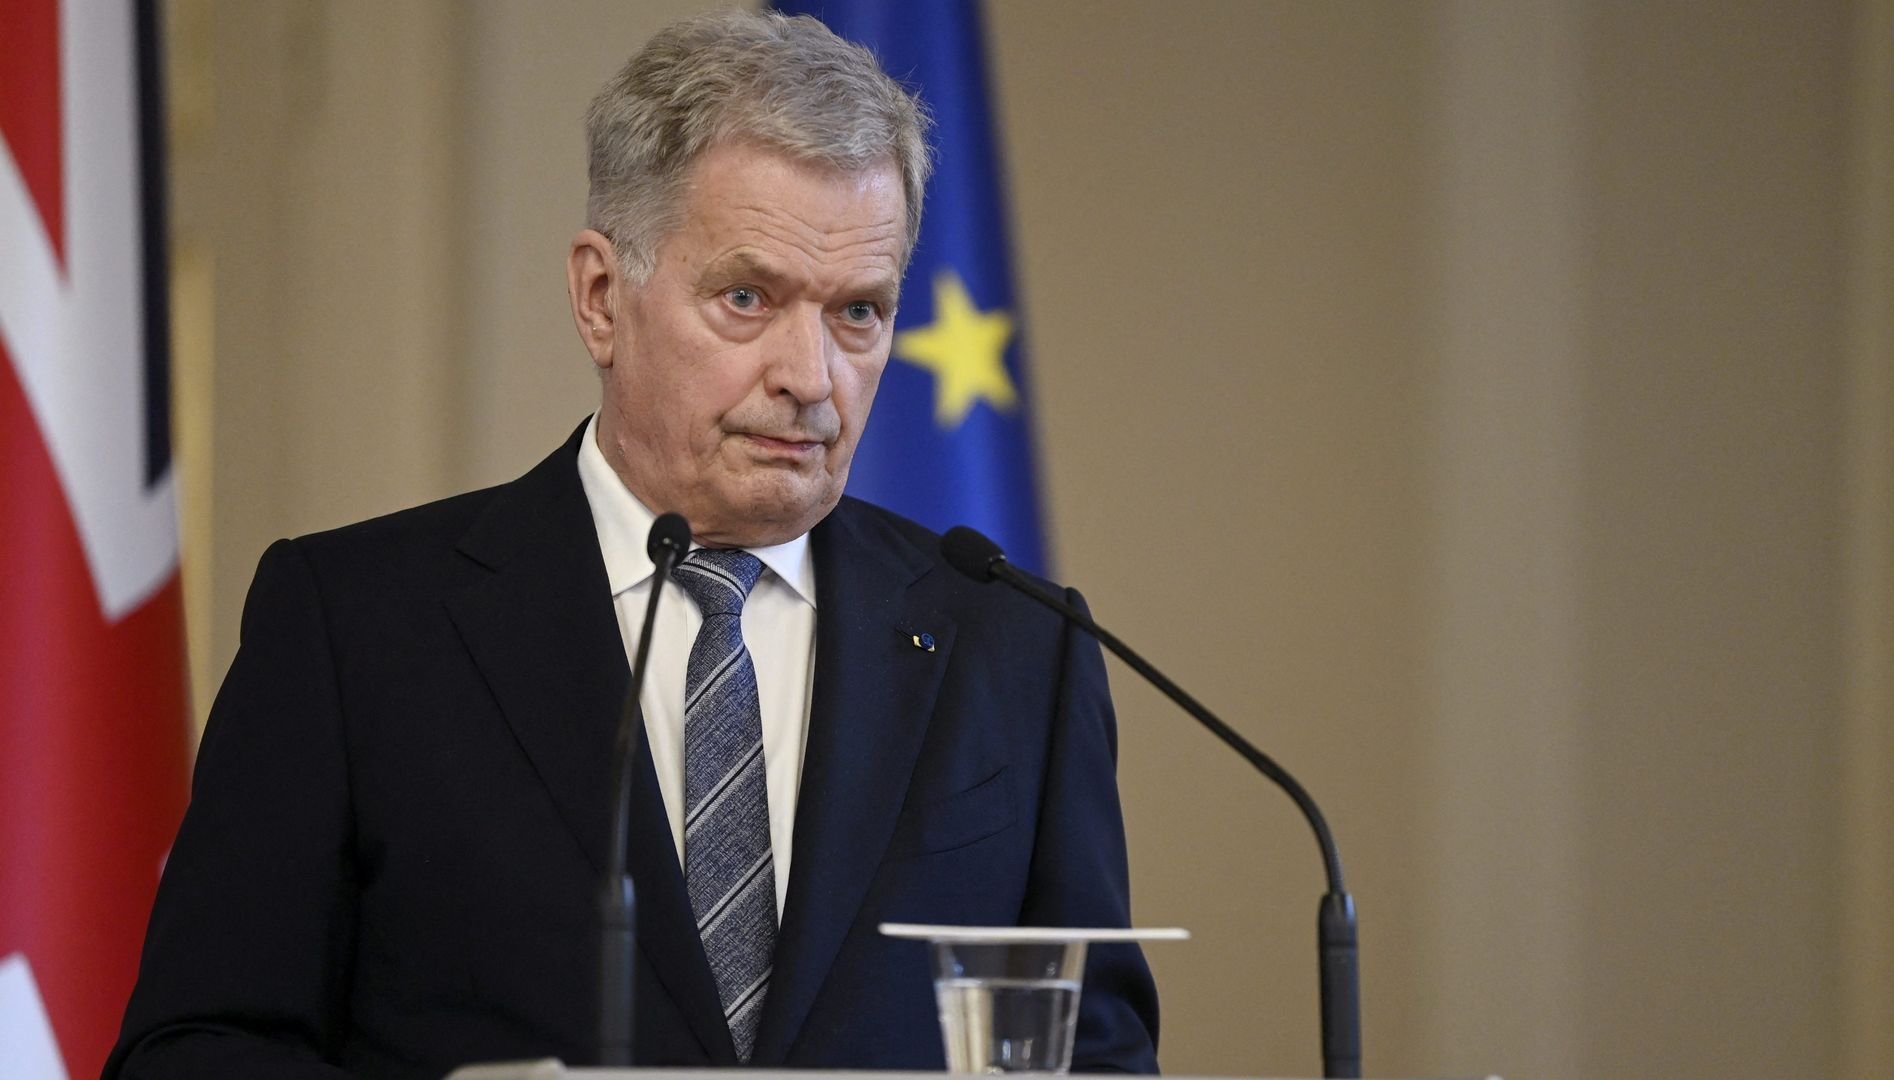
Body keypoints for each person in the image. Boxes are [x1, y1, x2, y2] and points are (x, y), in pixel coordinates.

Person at [107, 11, 1157, 1079]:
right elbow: (193, 1049)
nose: (811, 377)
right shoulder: (356, 625)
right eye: (747, 298)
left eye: (858, 312)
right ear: (602, 298)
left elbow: (1103, 1056)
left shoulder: (1016, 646)